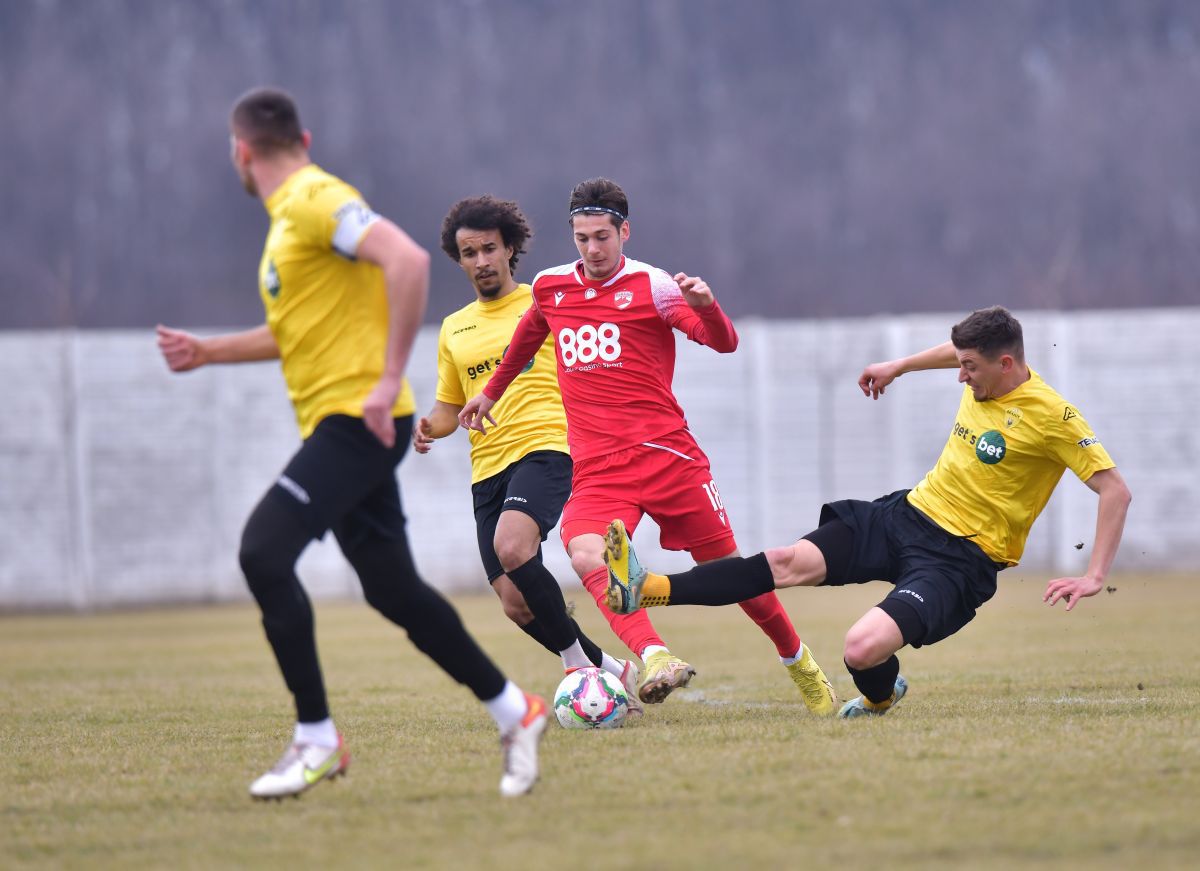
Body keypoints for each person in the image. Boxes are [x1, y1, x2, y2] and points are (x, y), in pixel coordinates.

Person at [155, 87, 547, 800]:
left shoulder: (311, 197)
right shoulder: (288, 224)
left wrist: (386, 378)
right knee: (393, 589)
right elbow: (295, 334)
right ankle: (515, 710)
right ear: (300, 134)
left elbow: (407, 260)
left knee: (262, 550)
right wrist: (209, 352)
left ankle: (315, 737)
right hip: (347, 422)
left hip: (358, 421)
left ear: (241, 152)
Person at [604, 306, 1132, 718]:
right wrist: (898, 366)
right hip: (906, 515)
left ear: (1006, 364)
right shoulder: (982, 366)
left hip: (959, 562)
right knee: (787, 560)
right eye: (961, 363)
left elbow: (1115, 491)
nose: (961, 375)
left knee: (860, 650)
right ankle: (648, 587)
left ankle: (880, 699)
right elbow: (956, 351)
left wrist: (1095, 575)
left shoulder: (1054, 417)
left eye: (970, 368)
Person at [459, 178, 837, 714]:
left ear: (624, 232)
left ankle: (798, 661)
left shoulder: (653, 286)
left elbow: (723, 341)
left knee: (732, 574)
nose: (591, 250)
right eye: (582, 237)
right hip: (597, 470)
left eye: (601, 238)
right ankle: (655, 656)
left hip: (669, 459)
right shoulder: (551, 287)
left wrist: (706, 307)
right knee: (585, 551)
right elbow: (530, 334)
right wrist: (489, 392)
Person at [414, 195, 642, 715]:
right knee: (515, 603)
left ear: (510, 248)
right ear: (459, 258)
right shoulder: (454, 328)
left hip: (547, 447)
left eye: (490, 249)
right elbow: (452, 406)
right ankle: (613, 671)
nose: (481, 261)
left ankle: (578, 671)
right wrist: (430, 426)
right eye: (469, 253)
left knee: (514, 547)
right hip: (487, 469)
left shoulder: (546, 300)